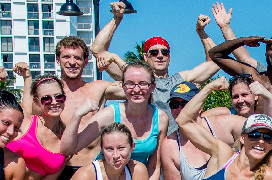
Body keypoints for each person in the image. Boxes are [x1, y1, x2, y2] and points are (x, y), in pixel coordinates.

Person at [90, 1, 220, 121]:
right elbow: (98, 50)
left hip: (175, 144)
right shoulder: (135, 80)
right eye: (154, 52)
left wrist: (201, 31)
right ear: (146, 57)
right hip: (147, 143)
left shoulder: (180, 80)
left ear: (169, 57)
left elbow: (215, 62)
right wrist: (116, 19)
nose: (160, 55)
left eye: (164, 52)